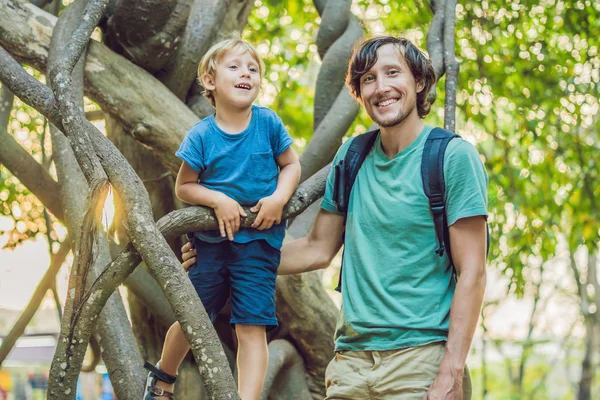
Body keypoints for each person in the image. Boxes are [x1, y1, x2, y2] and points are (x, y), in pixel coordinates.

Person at [183, 36, 487, 400]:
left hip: (420, 363)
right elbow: (316, 248)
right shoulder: (352, 156)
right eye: (369, 79)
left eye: (393, 73)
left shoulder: (452, 157)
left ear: (419, 82)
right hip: (349, 366)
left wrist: (450, 372)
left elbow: (473, 271)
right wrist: (226, 258)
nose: (381, 87)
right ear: (359, 92)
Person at [143, 36, 301, 400]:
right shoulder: (202, 135)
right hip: (211, 244)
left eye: (253, 69)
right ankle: (163, 378)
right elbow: (185, 186)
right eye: (235, 66)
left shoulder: (268, 123)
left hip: (259, 243)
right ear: (210, 81)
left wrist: (278, 198)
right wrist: (219, 200)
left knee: (252, 326)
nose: (246, 73)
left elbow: (291, 165)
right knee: (193, 316)